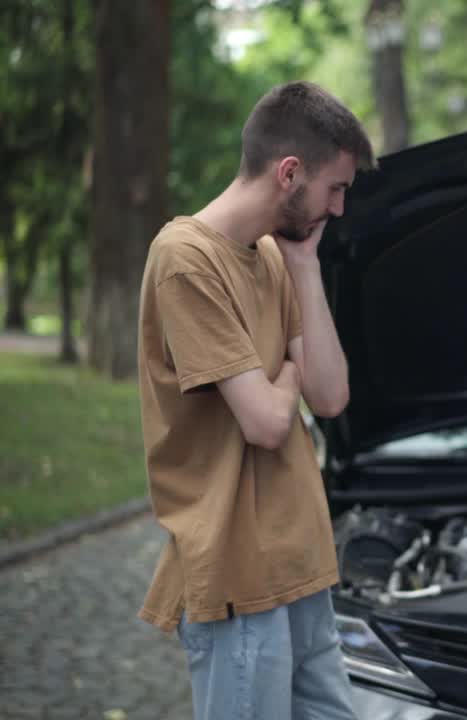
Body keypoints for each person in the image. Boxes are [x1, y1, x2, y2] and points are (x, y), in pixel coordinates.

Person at [135, 81, 375, 719]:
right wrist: (286, 377)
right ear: (290, 173)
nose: (341, 208)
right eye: (336, 189)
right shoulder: (185, 259)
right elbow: (268, 423)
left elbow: (328, 394)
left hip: (302, 564)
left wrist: (303, 266)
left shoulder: (275, 254)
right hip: (239, 578)